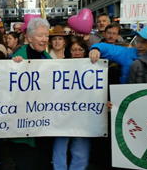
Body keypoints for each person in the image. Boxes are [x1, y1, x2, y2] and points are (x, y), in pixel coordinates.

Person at [12, 17, 52, 170]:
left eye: (46, 35)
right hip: (23, 131)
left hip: (42, 128)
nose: (44, 40)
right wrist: (13, 66)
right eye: (40, 35)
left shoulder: (48, 58)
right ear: (29, 37)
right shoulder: (17, 58)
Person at [52, 38, 91, 170]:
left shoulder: (94, 67)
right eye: (73, 50)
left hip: (84, 114)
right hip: (63, 113)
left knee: (80, 147)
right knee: (60, 145)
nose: (77, 52)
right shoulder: (60, 66)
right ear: (69, 51)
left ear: (85, 51)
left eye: (80, 49)